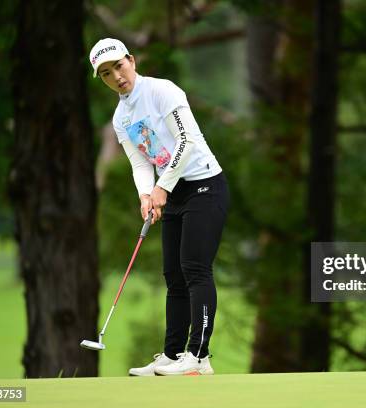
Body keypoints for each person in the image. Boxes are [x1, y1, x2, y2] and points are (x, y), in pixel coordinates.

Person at [89, 38, 229, 376]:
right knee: (173, 275)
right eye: (106, 73)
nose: (116, 76)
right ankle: (171, 354)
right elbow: (140, 163)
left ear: (131, 61)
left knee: (195, 269)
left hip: (204, 186)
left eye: (119, 66)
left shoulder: (163, 91)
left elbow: (187, 141)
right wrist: (145, 195)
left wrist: (161, 187)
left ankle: (199, 357)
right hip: (172, 194)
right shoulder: (121, 118)